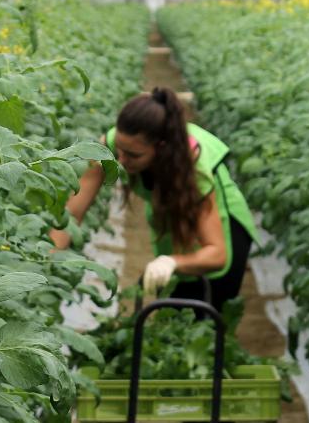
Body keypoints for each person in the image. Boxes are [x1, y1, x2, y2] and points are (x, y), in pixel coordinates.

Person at [50, 87, 258, 313]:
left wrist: (172, 262)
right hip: (173, 218)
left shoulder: (195, 170)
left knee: (205, 316)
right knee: (170, 309)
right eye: (119, 149)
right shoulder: (116, 145)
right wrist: (47, 264)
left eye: (134, 155)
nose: (121, 160)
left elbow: (217, 254)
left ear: (162, 149)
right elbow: (72, 214)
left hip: (223, 231)